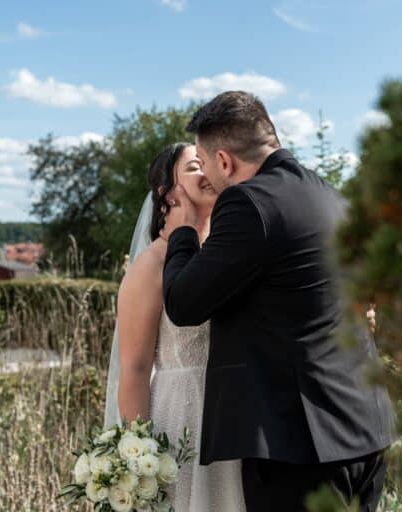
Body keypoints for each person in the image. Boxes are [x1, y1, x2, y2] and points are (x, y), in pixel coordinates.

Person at [160, 91, 396, 511]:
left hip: (301, 450)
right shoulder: (331, 196)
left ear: (225, 162)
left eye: (205, 162)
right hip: (365, 430)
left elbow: (183, 304)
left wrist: (186, 229)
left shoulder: (249, 202)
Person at [104, 142, 246, 511]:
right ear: (167, 192)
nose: (209, 172)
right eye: (196, 166)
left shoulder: (228, 254)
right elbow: (134, 370)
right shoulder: (150, 267)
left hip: (235, 419)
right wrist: (138, 461)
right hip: (182, 421)